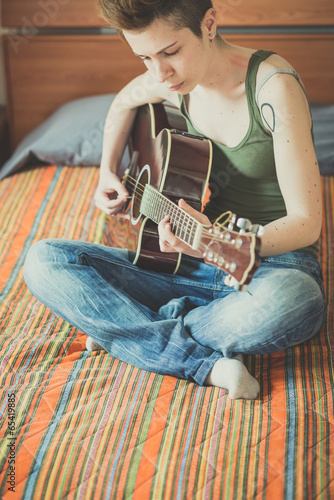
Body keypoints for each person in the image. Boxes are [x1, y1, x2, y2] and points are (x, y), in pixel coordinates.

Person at [23, 0, 326, 400]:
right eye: (144, 57)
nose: (160, 74)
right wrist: (107, 169)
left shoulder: (273, 87)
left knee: (295, 301)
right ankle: (202, 361)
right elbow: (122, 102)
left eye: (171, 52)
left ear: (210, 23)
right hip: (184, 265)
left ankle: (130, 333)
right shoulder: (166, 80)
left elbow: (307, 222)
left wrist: (214, 240)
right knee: (44, 260)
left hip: (266, 270)